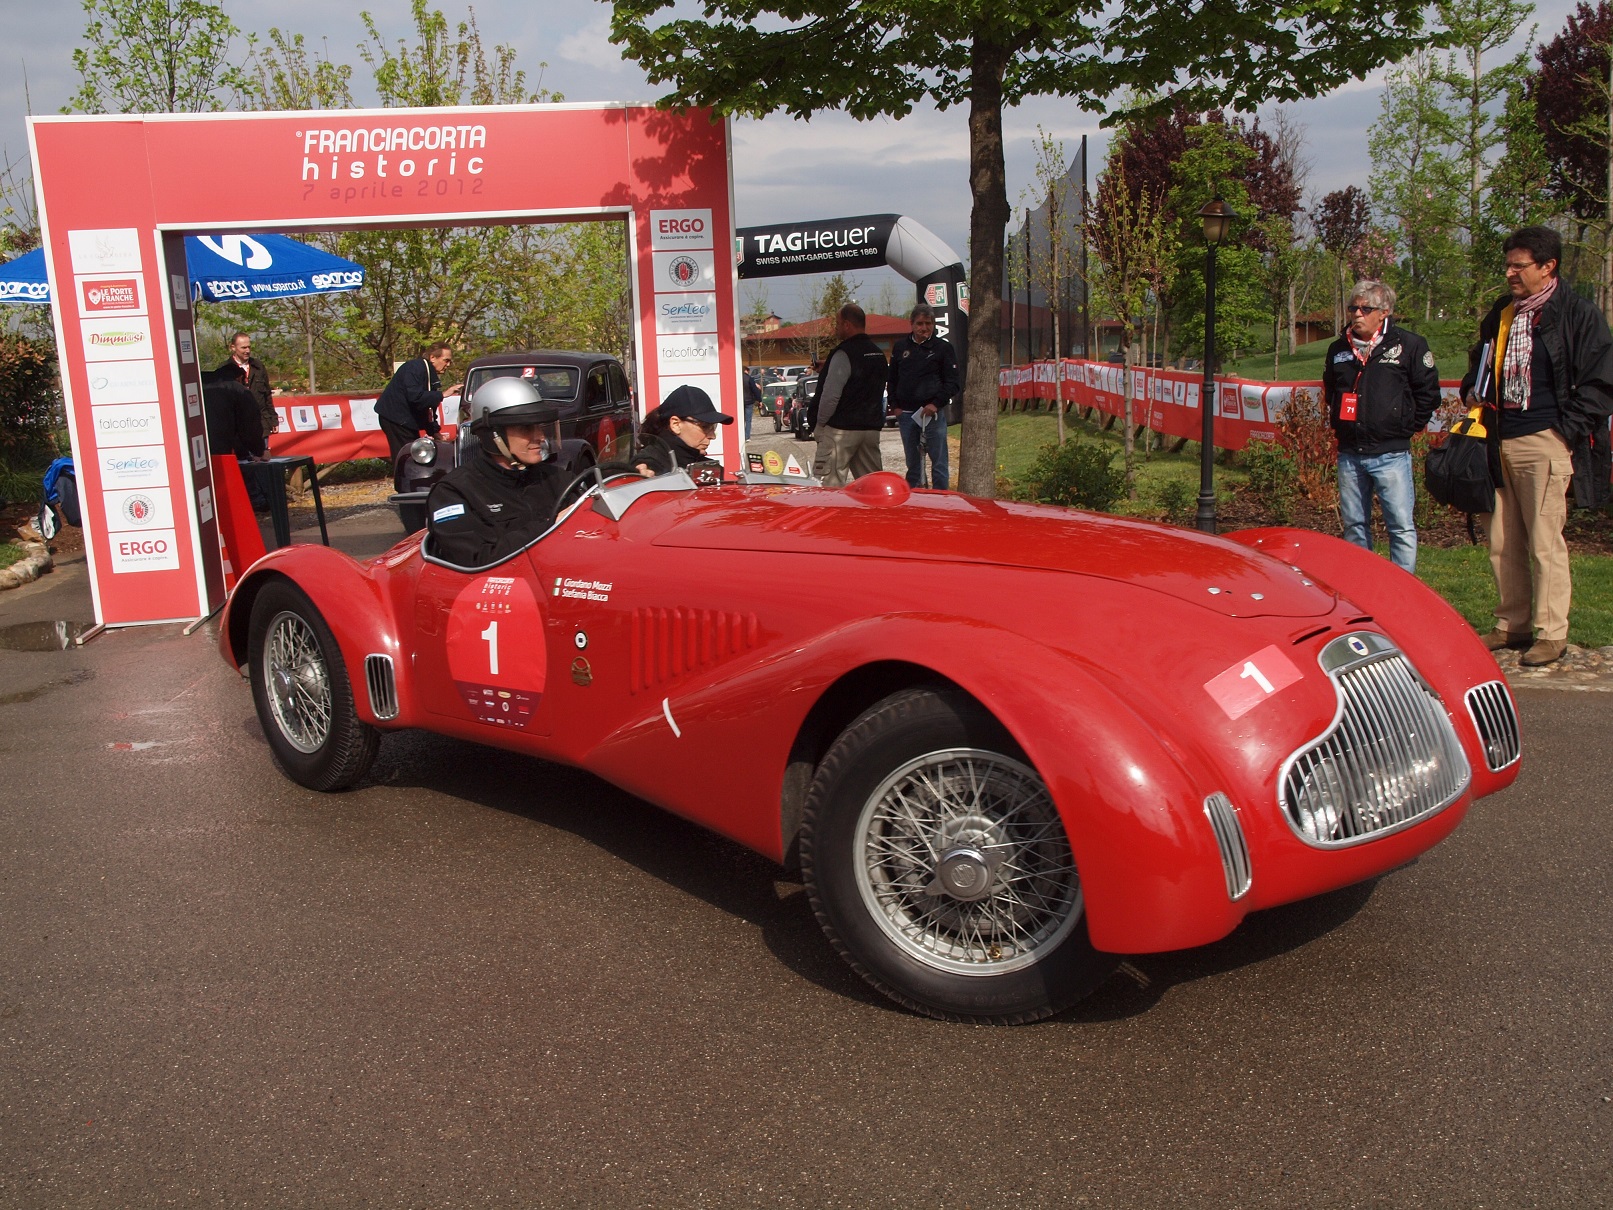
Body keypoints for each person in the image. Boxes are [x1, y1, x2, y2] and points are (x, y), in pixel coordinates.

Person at [1462, 225, 1613, 667]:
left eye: (1519, 266)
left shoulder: (1578, 314)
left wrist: (1564, 432)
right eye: (1507, 265)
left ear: (1548, 267)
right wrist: (1472, 388)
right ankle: (1512, 623)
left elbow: (1600, 384)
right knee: (1502, 539)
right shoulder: (1502, 312)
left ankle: (1551, 632)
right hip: (1498, 438)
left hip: (1545, 439)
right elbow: (1480, 361)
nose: (1510, 273)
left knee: (1545, 541)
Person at [1322, 279, 1439, 573]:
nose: (1357, 314)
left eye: (1365, 309)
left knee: (1400, 526)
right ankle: (1362, 585)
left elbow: (1428, 393)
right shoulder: (1338, 348)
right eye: (1353, 308)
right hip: (1350, 453)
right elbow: (1331, 391)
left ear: (1384, 312)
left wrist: (1405, 427)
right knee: (1354, 525)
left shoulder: (1408, 345)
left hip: (1391, 455)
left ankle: (1402, 588)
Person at [426, 377, 566, 568]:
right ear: (494, 435)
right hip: (504, 583)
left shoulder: (557, 478)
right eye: (526, 428)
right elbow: (474, 560)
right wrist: (553, 525)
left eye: (540, 427)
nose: (540, 437)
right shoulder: (454, 493)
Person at [808, 304, 887, 485]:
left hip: (840, 431)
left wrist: (820, 424)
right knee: (873, 487)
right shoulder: (878, 354)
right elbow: (863, 381)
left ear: (846, 325)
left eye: (837, 323)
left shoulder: (843, 353)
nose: (835, 328)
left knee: (828, 487)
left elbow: (831, 396)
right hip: (870, 430)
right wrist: (829, 366)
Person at [887, 303, 960, 490]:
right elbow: (892, 379)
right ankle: (916, 501)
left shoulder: (943, 348)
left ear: (933, 324)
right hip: (907, 416)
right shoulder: (900, 347)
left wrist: (936, 404)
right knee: (913, 465)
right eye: (920, 324)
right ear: (912, 324)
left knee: (939, 464)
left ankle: (941, 502)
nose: (924, 328)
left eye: (928, 323)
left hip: (932, 415)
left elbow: (953, 383)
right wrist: (895, 406)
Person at [377, 342, 463, 461]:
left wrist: (434, 431)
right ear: (432, 357)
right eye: (446, 360)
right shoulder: (415, 367)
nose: (448, 365)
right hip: (396, 419)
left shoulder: (427, 372)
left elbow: (427, 408)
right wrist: (442, 394)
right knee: (406, 457)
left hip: (406, 420)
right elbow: (415, 397)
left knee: (414, 455)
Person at [632, 385, 733, 476]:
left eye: (713, 427)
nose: (712, 436)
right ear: (675, 424)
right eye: (705, 426)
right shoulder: (648, 465)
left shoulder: (706, 466)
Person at [217, 332, 277, 436]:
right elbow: (220, 401)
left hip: (261, 424)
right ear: (233, 347)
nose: (247, 351)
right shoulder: (224, 369)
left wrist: (273, 420)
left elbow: (267, 395)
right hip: (236, 427)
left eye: (249, 347)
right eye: (243, 348)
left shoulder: (258, 366)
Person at [743, 370, 761, 441]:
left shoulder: (737, 377)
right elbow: (754, 390)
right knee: (748, 420)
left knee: (741, 420)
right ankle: (747, 436)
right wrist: (759, 400)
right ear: (746, 370)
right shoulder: (749, 378)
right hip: (749, 401)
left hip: (739, 402)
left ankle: (740, 436)